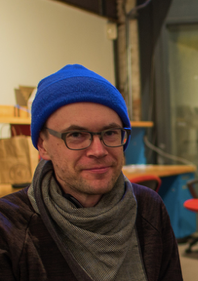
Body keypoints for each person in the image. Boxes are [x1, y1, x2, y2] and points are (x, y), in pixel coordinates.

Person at [0, 64, 183, 281]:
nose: (98, 151)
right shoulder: (10, 226)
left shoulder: (147, 207)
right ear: (42, 145)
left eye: (110, 133)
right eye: (76, 134)